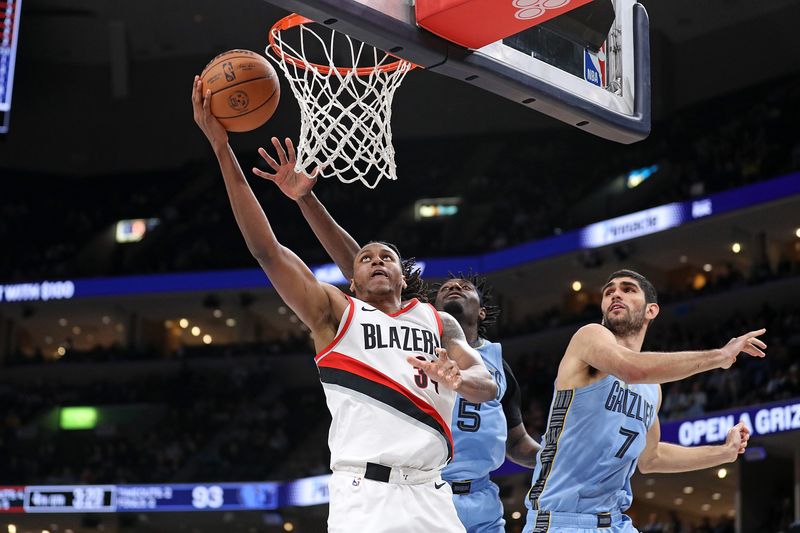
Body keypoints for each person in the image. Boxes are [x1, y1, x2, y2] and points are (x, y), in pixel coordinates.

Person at [191, 76, 497, 533]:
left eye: (386, 257)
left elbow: (484, 382)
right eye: (365, 258)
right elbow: (267, 250)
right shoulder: (337, 313)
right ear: (351, 278)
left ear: (403, 272)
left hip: (433, 494)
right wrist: (221, 148)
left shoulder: (438, 320)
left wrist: (460, 378)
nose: (376, 261)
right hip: (366, 495)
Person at [251, 138, 541, 532]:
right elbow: (356, 264)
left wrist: (554, 457)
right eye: (445, 288)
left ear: (483, 309)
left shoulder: (493, 362)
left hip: (462, 495)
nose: (454, 289)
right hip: (397, 486)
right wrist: (307, 201)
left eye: (465, 287)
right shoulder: (422, 320)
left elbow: (514, 435)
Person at [522, 270, 765, 532]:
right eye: (609, 291)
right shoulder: (589, 337)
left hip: (615, 522)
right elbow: (631, 368)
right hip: (563, 520)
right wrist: (720, 356)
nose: (616, 293)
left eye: (628, 289)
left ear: (651, 310)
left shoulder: (652, 389)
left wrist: (725, 452)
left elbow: (652, 457)